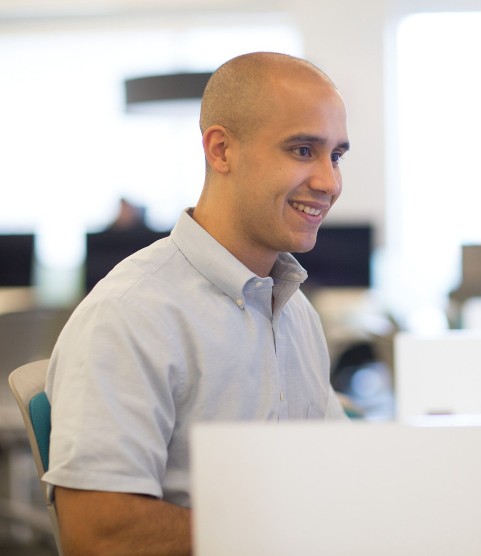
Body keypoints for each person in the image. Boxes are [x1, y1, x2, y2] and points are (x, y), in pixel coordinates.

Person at [44, 51, 351, 555]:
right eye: (302, 150)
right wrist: (279, 531)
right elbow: (98, 533)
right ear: (221, 150)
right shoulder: (130, 314)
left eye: (336, 156)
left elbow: (332, 470)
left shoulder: (294, 310)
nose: (329, 182)